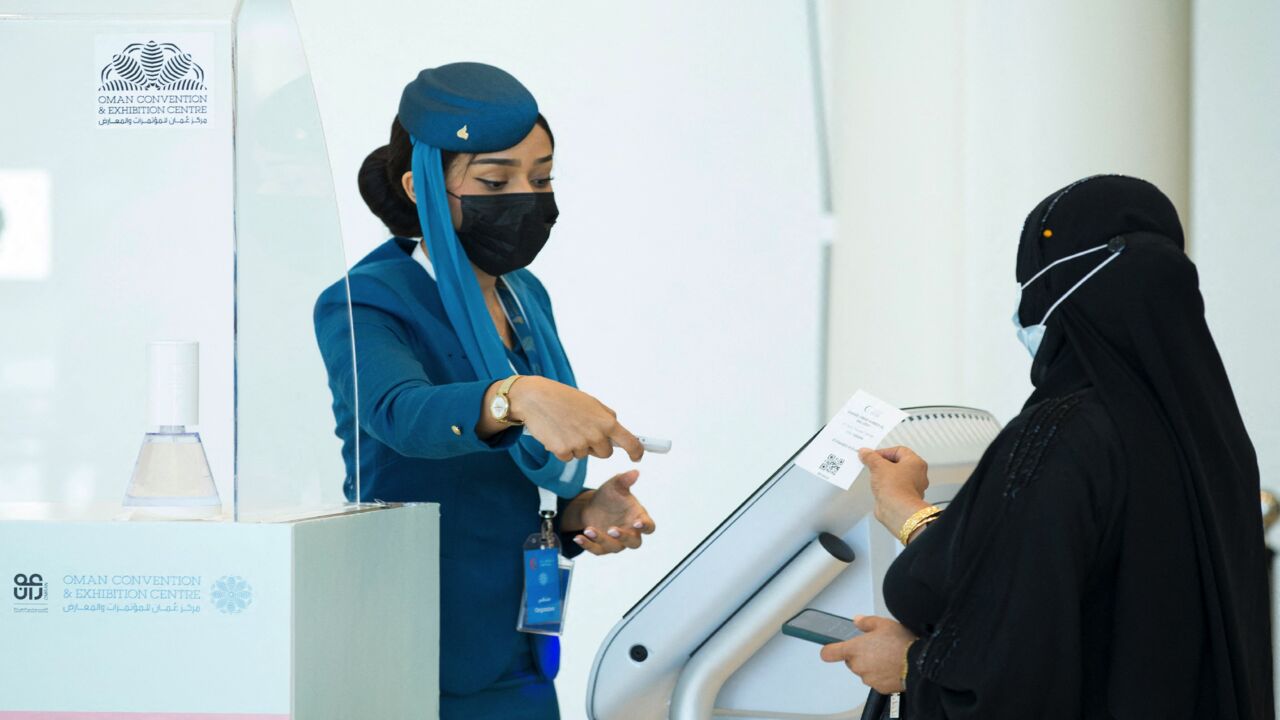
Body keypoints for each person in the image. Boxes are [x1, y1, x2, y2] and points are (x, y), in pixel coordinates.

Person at [819, 175, 1273, 719]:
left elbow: (1011, 655)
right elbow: (1049, 571)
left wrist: (914, 668)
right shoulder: (1215, 442)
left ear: (1058, 286)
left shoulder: (1063, 433)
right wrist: (911, 512)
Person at [313, 62, 657, 719]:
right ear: (421, 188)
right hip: (415, 644)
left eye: (542, 178)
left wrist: (578, 515)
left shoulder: (525, 295)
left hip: (518, 642)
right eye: (496, 182)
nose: (526, 198)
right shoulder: (367, 300)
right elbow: (399, 413)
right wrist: (515, 396)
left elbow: (507, 478)